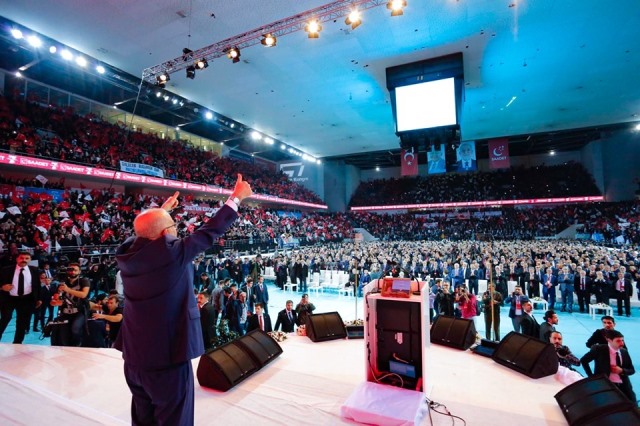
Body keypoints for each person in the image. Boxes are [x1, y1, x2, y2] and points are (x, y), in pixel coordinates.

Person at [114, 174, 252, 425]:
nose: (176, 234)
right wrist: (236, 198)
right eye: (172, 229)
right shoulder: (172, 254)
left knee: (143, 418)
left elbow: (144, 232)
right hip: (167, 357)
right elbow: (209, 232)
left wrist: (160, 213)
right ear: (165, 233)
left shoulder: (126, 254)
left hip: (134, 357)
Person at [581, 330, 636, 404]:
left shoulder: (624, 352)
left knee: (632, 405)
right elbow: (584, 361)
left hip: (623, 384)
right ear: (609, 340)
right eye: (618, 341)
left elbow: (631, 370)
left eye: (622, 340)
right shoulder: (599, 349)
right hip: (605, 383)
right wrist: (591, 377)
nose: (622, 343)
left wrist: (622, 371)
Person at [0, 251, 42, 344]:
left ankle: (17, 343)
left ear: (30, 260)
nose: (24, 260)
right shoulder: (6, 269)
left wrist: (39, 298)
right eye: (21, 258)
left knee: (22, 323)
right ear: (17, 259)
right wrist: (2, 287)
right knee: (5, 319)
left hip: (26, 299)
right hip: (9, 298)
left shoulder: (34, 270)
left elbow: (37, 285)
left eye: (26, 258)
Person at [51, 263, 91, 346]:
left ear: (79, 272)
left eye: (75, 270)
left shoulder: (84, 281)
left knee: (75, 329)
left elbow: (83, 294)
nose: (72, 272)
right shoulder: (63, 282)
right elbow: (56, 298)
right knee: (62, 331)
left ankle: (77, 346)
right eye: (70, 269)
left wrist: (67, 289)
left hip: (79, 311)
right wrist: (55, 302)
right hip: (65, 311)